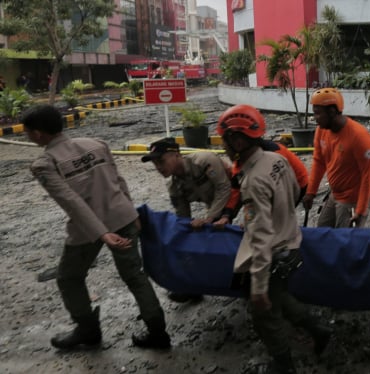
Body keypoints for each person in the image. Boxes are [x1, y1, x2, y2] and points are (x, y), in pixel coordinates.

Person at [22, 104, 171, 350]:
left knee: (69, 278)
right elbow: (118, 181)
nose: (28, 136)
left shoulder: (44, 164)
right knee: (135, 277)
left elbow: (71, 202)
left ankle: (87, 329)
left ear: (38, 134)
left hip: (87, 230)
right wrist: (130, 213)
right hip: (122, 219)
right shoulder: (96, 144)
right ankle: (158, 332)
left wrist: (102, 233)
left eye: (28, 132)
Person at [218, 104, 331, 374]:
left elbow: (259, 236)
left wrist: (257, 287)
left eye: (225, 140)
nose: (224, 146)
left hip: (275, 253)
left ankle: (284, 366)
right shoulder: (275, 159)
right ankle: (319, 331)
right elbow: (293, 191)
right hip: (291, 243)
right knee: (280, 298)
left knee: (265, 316)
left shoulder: (253, 181)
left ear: (237, 139)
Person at [141, 137, 232, 302]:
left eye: (161, 161)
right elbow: (183, 218)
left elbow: (224, 187)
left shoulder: (203, 160)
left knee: (242, 239)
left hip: (238, 195)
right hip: (216, 207)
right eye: (155, 164)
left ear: (176, 154)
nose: (159, 167)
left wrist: (209, 218)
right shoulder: (174, 186)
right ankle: (193, 286)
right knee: (195, 241)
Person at [301, 88, 370, 228]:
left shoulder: (358, 136)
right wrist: (311, 192)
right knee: (322, 231)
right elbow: (319, 161)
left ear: (332, 112)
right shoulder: (321, 131)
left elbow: (368, 175)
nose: (314, 118)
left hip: (352, 198)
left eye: (318, 114)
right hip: (335, 194)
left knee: (345, 240)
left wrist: (360, 210)